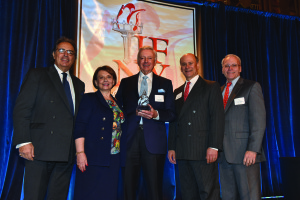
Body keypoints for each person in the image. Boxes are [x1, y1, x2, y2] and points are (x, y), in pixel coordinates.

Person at [13, 36, 85, 200]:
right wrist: (24, 141)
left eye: (70, 52)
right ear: (54, 54)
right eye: (61, 50)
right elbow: (21, 109)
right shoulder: (37, 75)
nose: (66, 54)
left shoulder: (79, 84)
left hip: (66, 154)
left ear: (74, 58)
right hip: (39, 150)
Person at [116, 46, 176, 200]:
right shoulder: (126, 82)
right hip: (130, 140)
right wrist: (131, 113)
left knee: (154, 188)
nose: (146, 61)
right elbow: (117, 109)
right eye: (142, 58)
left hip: (154, 142)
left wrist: (156, 114)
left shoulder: (166, 83)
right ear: (137, 61)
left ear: (155, 61)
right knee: (128, 186)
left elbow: (171, 113)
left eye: (149, 58)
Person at [168, 53, 224, 200]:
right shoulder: (177, 92)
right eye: (184, 64)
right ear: (180, 67)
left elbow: (217, 118)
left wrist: (214, 146)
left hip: (203, 149)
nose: (187, 67)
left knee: (208, 192)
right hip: (182, 150)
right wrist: (172, 147)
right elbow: (175, 121)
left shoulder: (210, 86)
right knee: (187, 193)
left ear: (197, 65)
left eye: (190, 63)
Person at [73, 66, 126, 200]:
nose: (105, 80)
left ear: (114, 81)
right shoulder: (89, 99)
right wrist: (80, 153)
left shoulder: (117, 102)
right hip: (93, 156)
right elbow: (80, 126)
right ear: (96, 82)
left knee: (108, 194)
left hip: (114, 157)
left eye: (108, 77)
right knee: (90, 193)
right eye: (101, 77)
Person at [219, 54, 266, 200]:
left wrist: (253, 149)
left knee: (249, 196)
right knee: (227, 196)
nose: (230, 68)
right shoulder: (218, 90)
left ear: (240, 68)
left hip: (245, 154)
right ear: (222, 70)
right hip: (223, 156)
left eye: (234, 65)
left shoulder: (251, 87)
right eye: (227, 66)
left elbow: (259, 121)